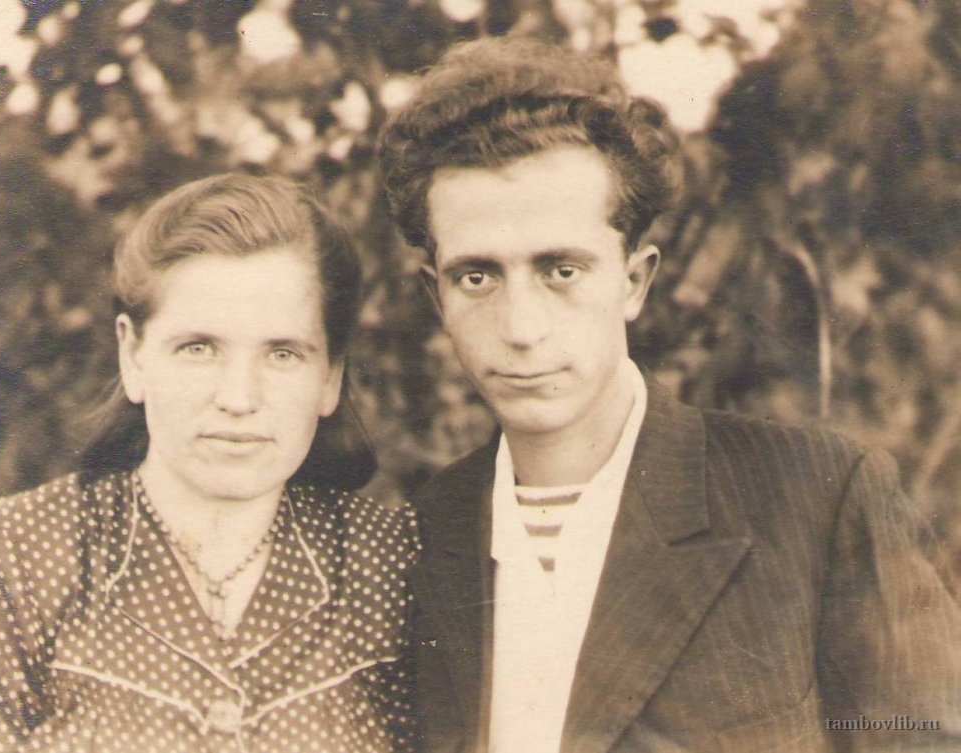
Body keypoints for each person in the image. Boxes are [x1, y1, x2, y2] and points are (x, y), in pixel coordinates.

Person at [377, 37, 961, 752]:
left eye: (562, 270)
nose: (521, 328)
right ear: (436, 297)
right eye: (477, 277)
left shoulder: (817, 499)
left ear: (634, 281)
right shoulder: (414, 541)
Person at [0, 174, 418, 752]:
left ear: (330, 377)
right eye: (198, 349)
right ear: (133, 355)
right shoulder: (7, 558)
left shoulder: (394, 565)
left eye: (283, 353)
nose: (238, 398)